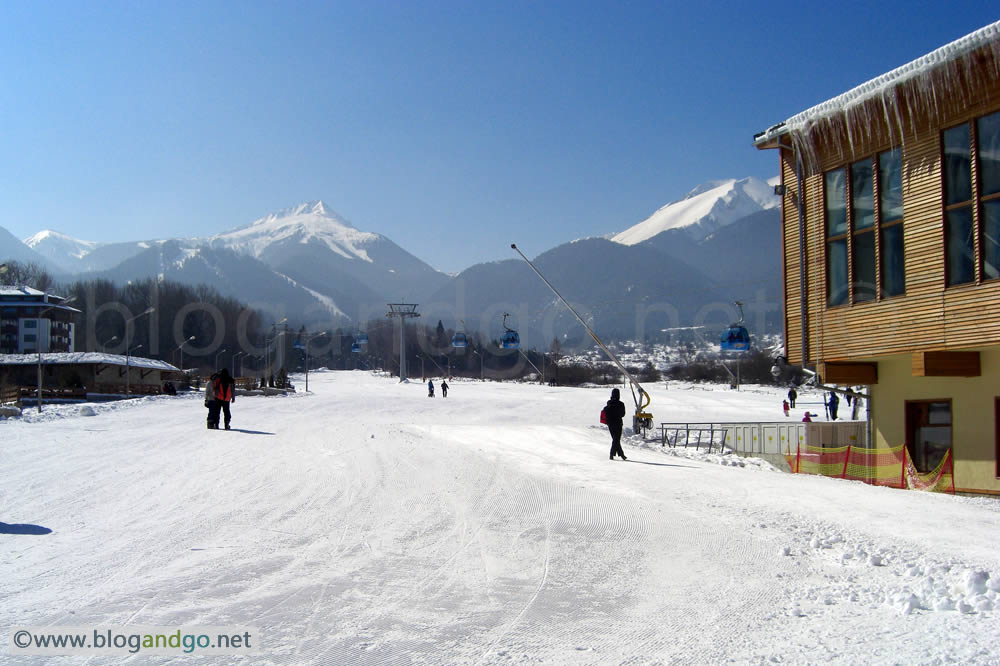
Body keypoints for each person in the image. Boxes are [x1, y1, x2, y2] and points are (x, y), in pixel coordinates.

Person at [605, 388, 627, 461]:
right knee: (616, 439)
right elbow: (623, 414)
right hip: (618, 423)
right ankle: (612, 454)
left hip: (610, 423)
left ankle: (621, 454)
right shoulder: (621, 404)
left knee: (615, 439)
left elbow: (606, 412)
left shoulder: (609, 403)